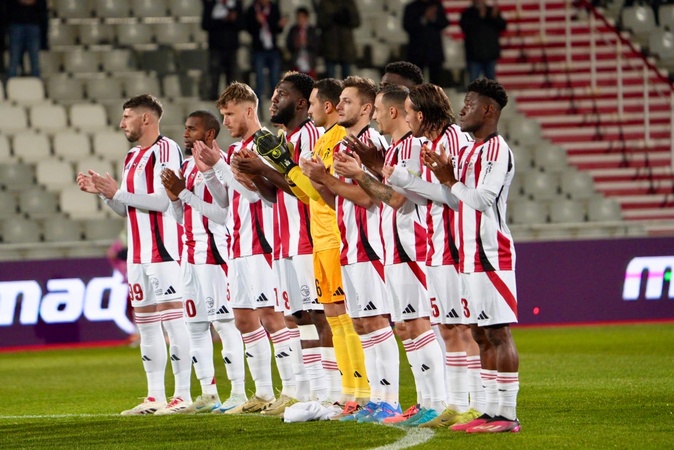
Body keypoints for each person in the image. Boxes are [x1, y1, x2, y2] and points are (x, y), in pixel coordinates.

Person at [77, 94, 192, 415]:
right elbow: (127, 208)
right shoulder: (131, 156)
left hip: (164, 250)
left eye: (126, 116)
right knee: (146, 326)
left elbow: (165, 201)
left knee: (172, 322)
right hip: (138, 255)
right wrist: (104, 194)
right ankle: (155, 396)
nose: (121, 123)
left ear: (146, 119)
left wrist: (117, 192)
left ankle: (182, 395)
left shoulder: (166, 149)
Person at [254, 78, 363, 410]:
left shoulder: (326, 138)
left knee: (336, 318)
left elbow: (319, 192)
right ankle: (329, 392)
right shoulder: (307, 140)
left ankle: (349, 392)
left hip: (322, 237)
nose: (274, 101)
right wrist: (270, 172)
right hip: (303, 240)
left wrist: (277, 168)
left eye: (282, 95)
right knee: (317, 317)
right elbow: (298, 191)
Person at [423, 78, 521, 433]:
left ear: (489, 110)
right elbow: (453, 198)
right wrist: (431, 176)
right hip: (467, 256)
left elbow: (482, 199)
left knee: (498, 332)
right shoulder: (468, 151)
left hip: (491, 254)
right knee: (480, 333)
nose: (462, 109)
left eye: (470, 104)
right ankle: (490, 412)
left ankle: (507, 415)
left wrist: (449, 180)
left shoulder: (497, 150)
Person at [334, 84, 436, 425]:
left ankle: (432, 402)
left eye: (377, 108)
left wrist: (359, 173)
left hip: (410, 246)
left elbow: (396, 199)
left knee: (418, 325)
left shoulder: (412, 147)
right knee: (406, 327)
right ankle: (407, 402)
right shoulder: (393, 150)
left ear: (392, 112)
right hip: (391, 246)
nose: (374, 114)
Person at [192, 82, 296, 414]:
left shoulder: (265, 143)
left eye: (229, 114)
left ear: (249, 111)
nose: (225, 122)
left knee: (272, 316)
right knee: (243, 319)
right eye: (223, 115)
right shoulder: (237, 150)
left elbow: (256, 194)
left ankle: (292, 390)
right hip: (237, 245)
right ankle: (263, 393)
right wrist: (210, 172)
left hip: (262, 243)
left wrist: (220, 165)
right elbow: (226, 201)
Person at [231, 72, 331, 411]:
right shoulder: (284, 137)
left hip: (308, 239)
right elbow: (276, 195)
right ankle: (306, 391)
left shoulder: (311, 135)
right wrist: (254, 175)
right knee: (298, 318)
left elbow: (306, 190)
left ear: (301, 103)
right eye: (273, 93)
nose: (274, 99)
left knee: (321, 316)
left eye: (282, 94)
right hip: (284, 241)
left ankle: (328, 392)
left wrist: (263, 167)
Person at [386, 84, 484, 428]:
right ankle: (456, 405)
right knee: (447, 327)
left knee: (465, 327)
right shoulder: (430, 144)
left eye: (410, 111)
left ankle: (476, 404)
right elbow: (432, 198)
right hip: (436, 244)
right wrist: (406, 181)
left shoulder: (455, 140)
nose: (406, 116)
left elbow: (457, 197)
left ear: (422, 115)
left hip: (458, 246)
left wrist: (404, 178)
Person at [160, 110, 248, 414]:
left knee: (224, 324)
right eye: (185, 128)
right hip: (189, 257)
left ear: (209, 134)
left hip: (215, 255)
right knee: (195, 326)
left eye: (192, 129)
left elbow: (223, 215)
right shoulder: (187, 166)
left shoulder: (218, 165)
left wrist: (182, 192)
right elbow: (179, 218)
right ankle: (209, 394)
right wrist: (174, 198)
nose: (185, 134)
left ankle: (238, 392)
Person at [245, 0, 286, 109]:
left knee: (275, 80)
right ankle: (259, 110)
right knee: (260, 81)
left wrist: (280, 25)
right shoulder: (252, 9)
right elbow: (247, 28)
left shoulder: (274, 8)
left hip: (273, 49)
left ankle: (277, 109)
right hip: (258, 50)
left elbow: (277, 29)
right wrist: (256, 21)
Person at [201, 0, 244, 101]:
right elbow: (205, 24)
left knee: (232, 75)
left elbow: (242, 24)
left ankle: (231, 98)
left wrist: (234, 19)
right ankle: (212, 97)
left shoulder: (236, 4)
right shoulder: (210, 4)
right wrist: (221, 20)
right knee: (214, 74)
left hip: (232, 47)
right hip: (216, 47)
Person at [402, 0, 449, 86]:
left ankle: (434, 99)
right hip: (417, 52)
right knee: (416, 82)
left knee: (435, 83)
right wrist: (424, 18)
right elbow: (407, 25)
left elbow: (444, 22)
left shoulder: (437, 6)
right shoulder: (411, 7)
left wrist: (433, 18)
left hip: (434, 51)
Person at [460, 0, 507, 82]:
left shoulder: (491, 12)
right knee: (473, 84)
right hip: (474, 55)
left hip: (490, 54)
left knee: (491, 84)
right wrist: (479, 16)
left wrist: (496, 17)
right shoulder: (468, 13)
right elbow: (464, 27)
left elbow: (502, 26)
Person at [316, 0, 360, 79]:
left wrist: (347, 17)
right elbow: (319, 22)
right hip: (329, 46)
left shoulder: (349, 2)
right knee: (330, 80)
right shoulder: (325, 2)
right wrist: (331, 17)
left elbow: (357, 21)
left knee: (347, 80)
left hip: (346, 46)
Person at [6, 0, 48, 78]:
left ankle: (36, 84)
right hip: (17, 23)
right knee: (14, 59)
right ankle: (10, 85)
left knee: (34, 60)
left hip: (32, 24)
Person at [286, 7, 319, 78]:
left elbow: (317, 46)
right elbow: (288, 45)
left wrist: (307, 43)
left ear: (306, 18)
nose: (300, 20)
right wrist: (295, 44)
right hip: (296, 63)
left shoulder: (312, 30)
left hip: (309, 63)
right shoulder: (293, 30)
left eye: (302, 17)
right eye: (298, 18)